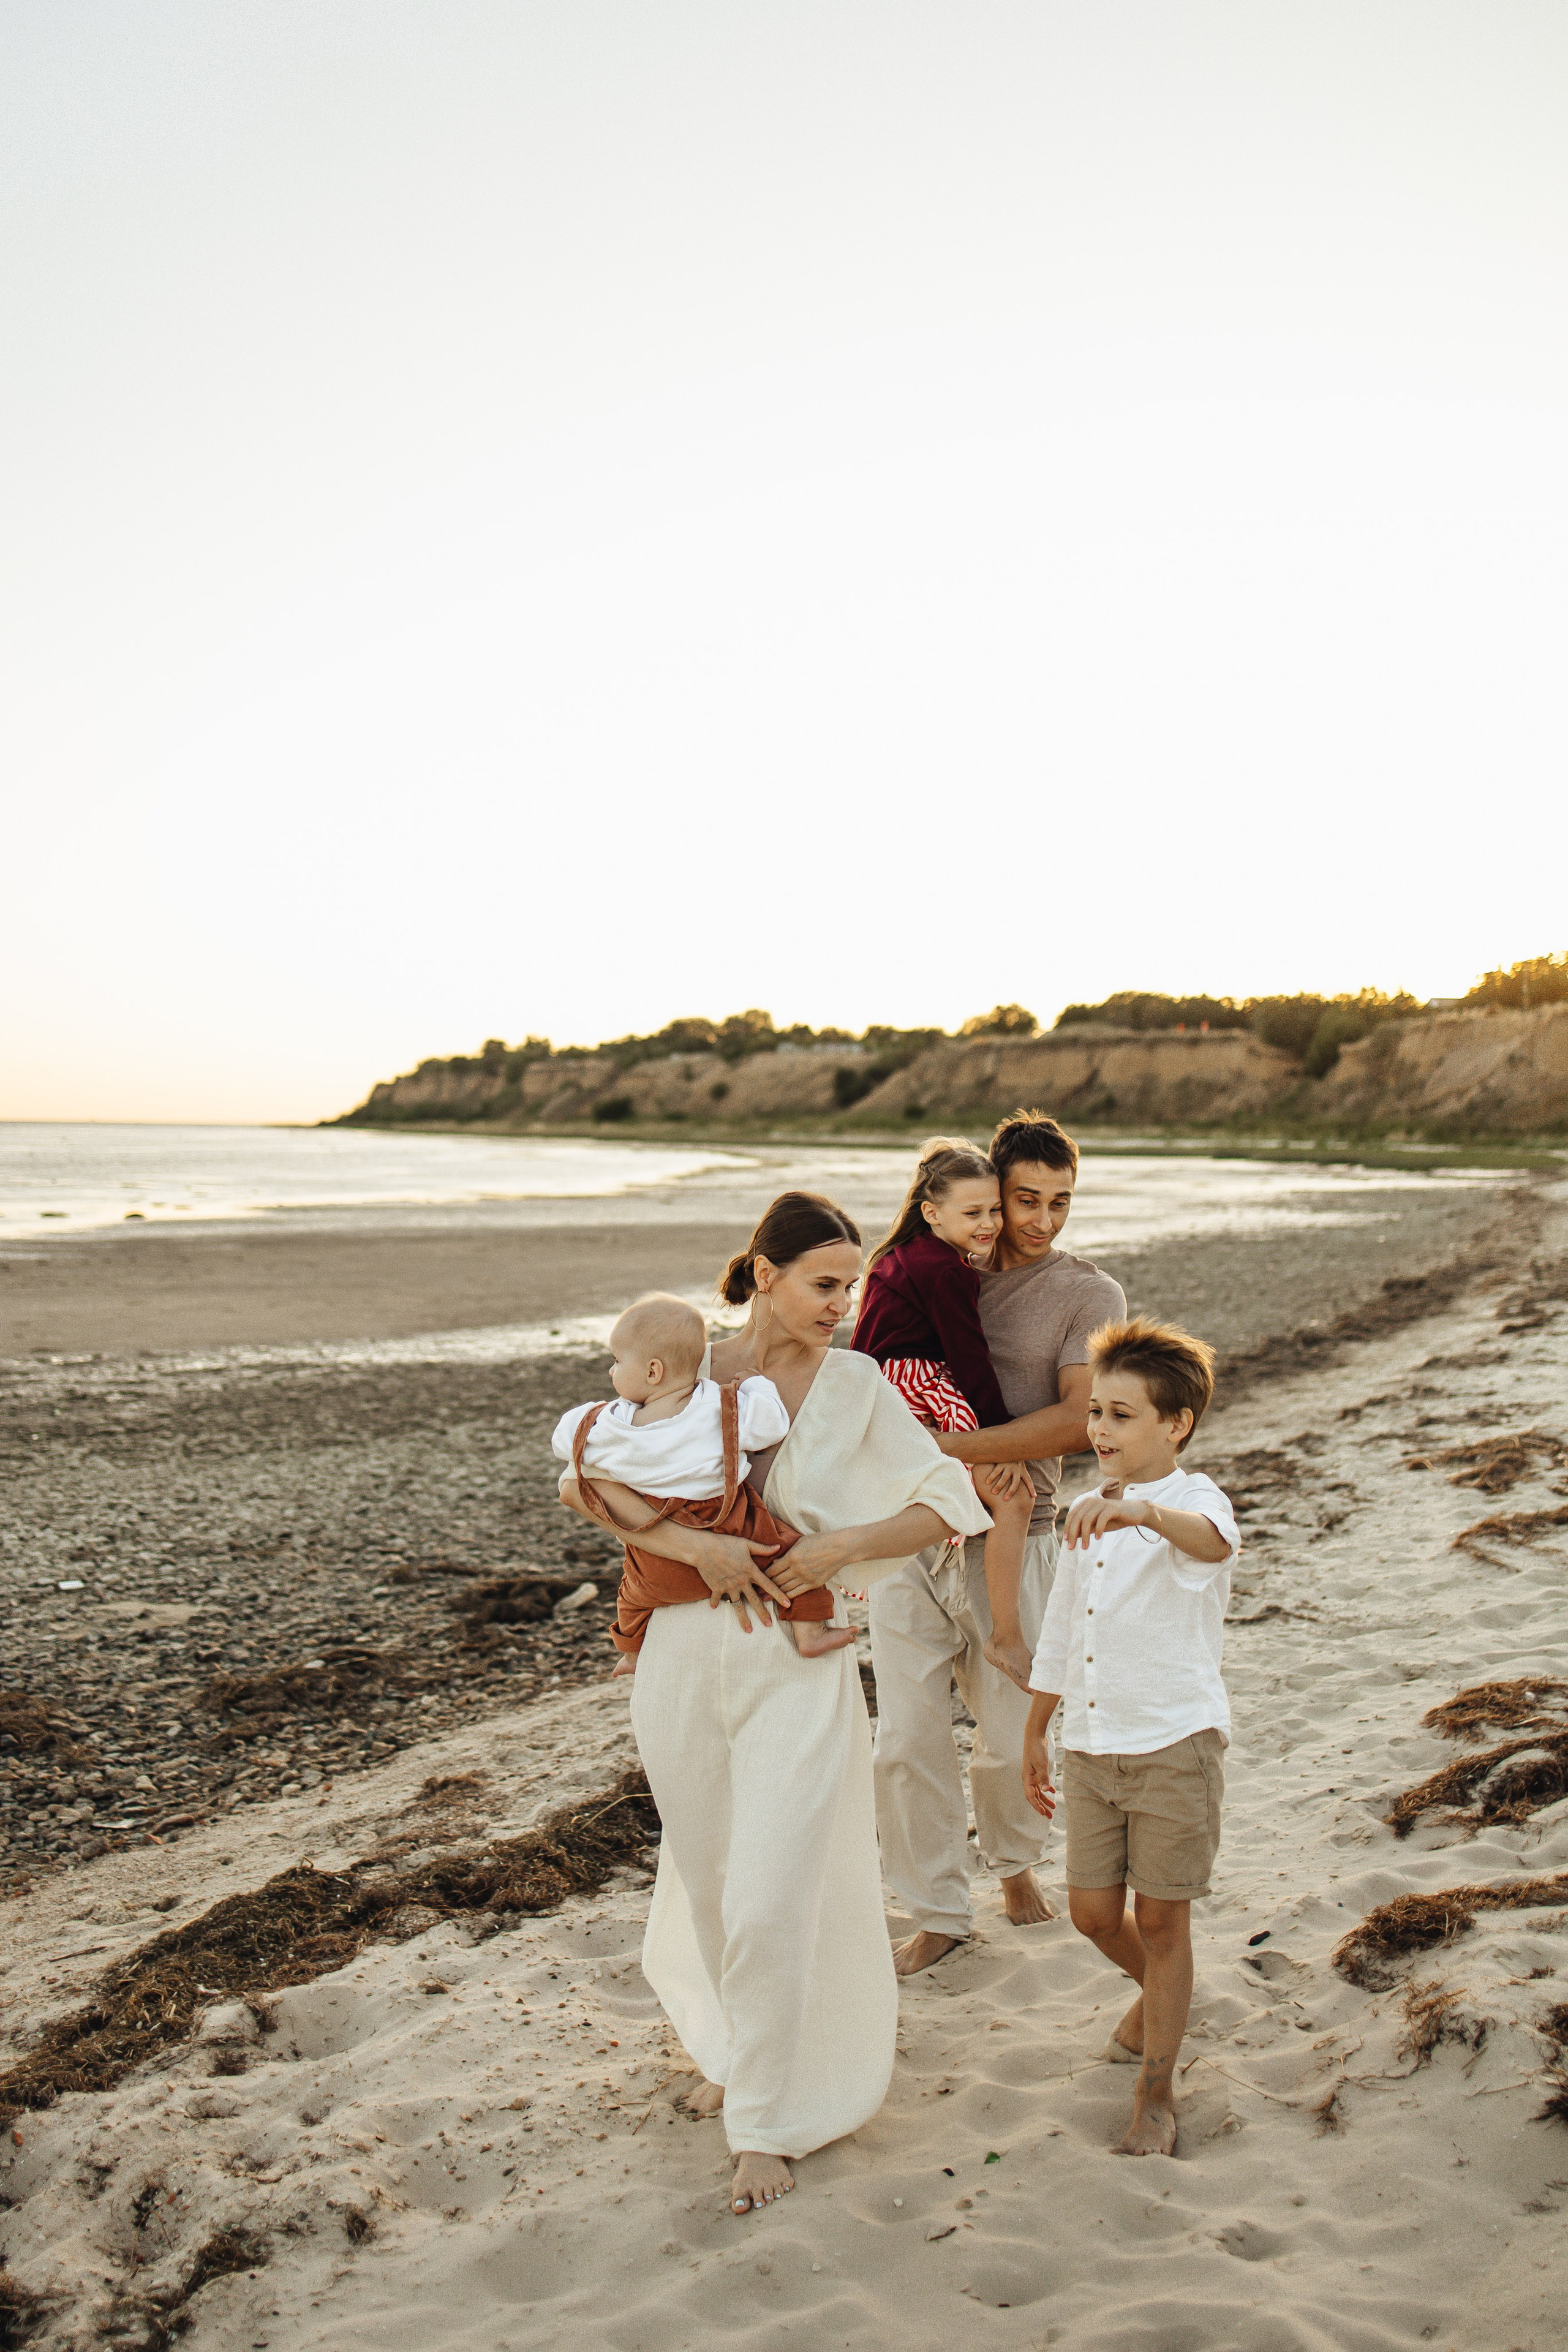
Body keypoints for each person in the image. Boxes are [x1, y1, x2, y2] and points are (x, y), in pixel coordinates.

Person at [557, 1193, 989, 2216]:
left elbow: (947, 1500)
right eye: (823, 1285)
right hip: (677, 1652)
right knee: (709, 1877)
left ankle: (765, 2125)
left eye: (852, 1285)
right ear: (762, 1274)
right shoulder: (679, 1364)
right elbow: (583, 1484)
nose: (842, 1304)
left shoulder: (857, 1385)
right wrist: (692, 1548)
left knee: (774, 1887)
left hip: (798, 1662)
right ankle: (752, 2055)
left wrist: (837, 1548)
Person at [869, 1110, 1126, 1975]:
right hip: (912, 1531)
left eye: (1061, 1202)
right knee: (904, 1737)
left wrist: (948, 1451)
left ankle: (1015, 1866)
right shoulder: (939, 1269)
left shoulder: (1088, 1294)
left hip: (1019, 1533)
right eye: (1026, 1200)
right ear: (991, 1192)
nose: (1042, 1221)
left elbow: (1074, 1423)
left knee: (1008, 1723)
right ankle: (938, 1909)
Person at [1021, 1316, 1238, 2158]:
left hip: (1175, 1741)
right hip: (1091, 1743)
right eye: (1097, 1413)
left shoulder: (1195, 1500)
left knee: (1163, 1921)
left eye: (1121, 1415)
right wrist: (1038, 1729)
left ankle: (1156, 2090)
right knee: (1090, 1912)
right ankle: (1166, 1997)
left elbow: (1213, 1548)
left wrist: (1141, 1513)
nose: (1100, 1430)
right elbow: (1060, 1634)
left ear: (1173, 1424)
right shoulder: (1081, 1508)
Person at [550, 1291, 851, 1669]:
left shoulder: (609, 1422)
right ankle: (811, 1633)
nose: (612, 1372)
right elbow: (771, 1425)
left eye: (616, 1362)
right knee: (794, 1557)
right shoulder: (719, 1406)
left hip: (656, 1536)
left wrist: (590, 1418)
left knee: (632, 1590)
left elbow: (569, 1447)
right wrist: (756, 1385)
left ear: (653, 1372)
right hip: (730, 1524)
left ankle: (629, 1652)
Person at [851, 1138, 1036, 1692]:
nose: (990, 1224)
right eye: (973, 1213)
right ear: (932, 1212)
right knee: (1015, 1495)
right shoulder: (949, 1272)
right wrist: (1006, 1442)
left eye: (995, 1210)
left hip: (883, 1390)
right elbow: (970, 1360)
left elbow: (862, 1346)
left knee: (938, 1493)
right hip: (922, 1386)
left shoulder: (892, 1257)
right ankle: (1006, 1632)